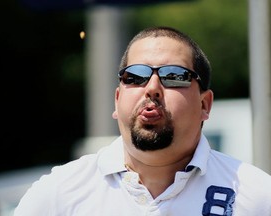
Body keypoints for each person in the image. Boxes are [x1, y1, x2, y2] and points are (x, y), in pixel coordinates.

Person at [14, 26, 271, 216]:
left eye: (174, 76)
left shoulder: (257, 196)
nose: (152, 88)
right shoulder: (58, 194)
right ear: (117, 100)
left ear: (205, 104)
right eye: (135, 77)